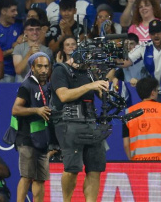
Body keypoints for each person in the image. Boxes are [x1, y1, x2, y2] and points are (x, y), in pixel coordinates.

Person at [49, 33, 112, 201]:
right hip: (69, 123)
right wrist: (90, 85)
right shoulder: (60, 70)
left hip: (91, 121)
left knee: (95, 168)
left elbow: (101, 95)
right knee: (72, 169)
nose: (90, 58)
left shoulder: (90, 73)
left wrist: (105, 89)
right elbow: (63, 96)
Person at [10, 52, 52, 202]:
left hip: (41, 140)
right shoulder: (27, 85)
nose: (43, 70)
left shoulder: (47, 86)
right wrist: (36, 110)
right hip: (26, 139)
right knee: (27, 177)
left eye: (46, 66)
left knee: (40, 179)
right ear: (32, 67)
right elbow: (15, 109)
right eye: (39, 66)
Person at [123, 76, 161, 160]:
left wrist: (132, 162)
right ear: (153, 93)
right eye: (157, 90)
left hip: (138, 163)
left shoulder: (128, 112)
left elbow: (126, 144)